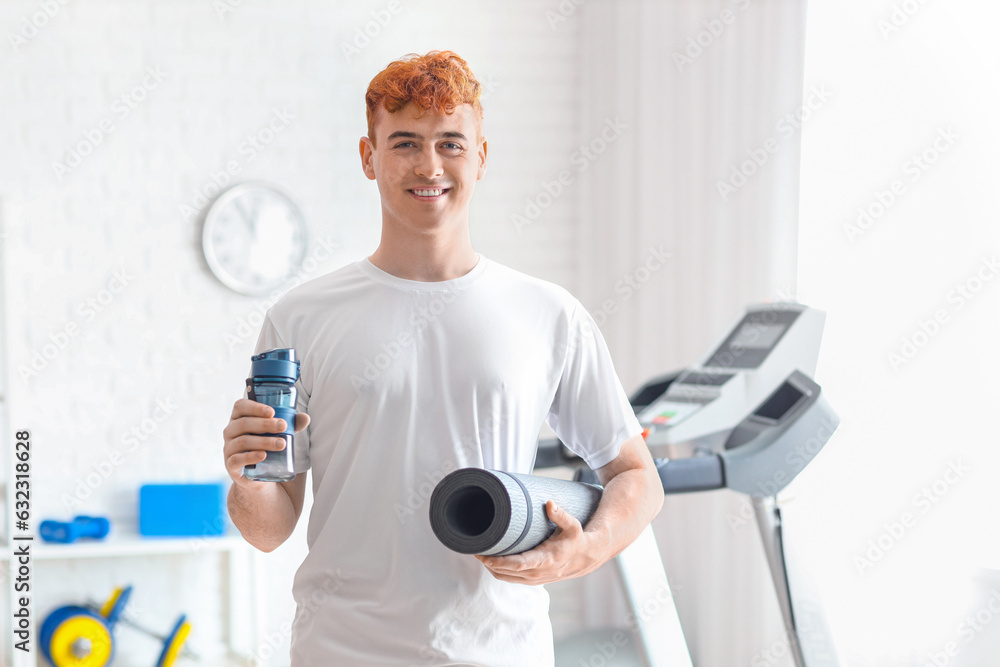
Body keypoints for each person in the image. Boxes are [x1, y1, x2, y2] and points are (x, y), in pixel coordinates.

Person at [222, 50, 663, 667]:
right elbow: (268, 530)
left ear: (480, 157)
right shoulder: (301, 316)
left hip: (500, 651)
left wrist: (585, 550)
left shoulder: (548, 312)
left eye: (451, 143)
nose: (430, 165)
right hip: (341, 652)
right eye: (404, 142)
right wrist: (246, 478)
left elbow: (636, 476)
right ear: (368, 157)